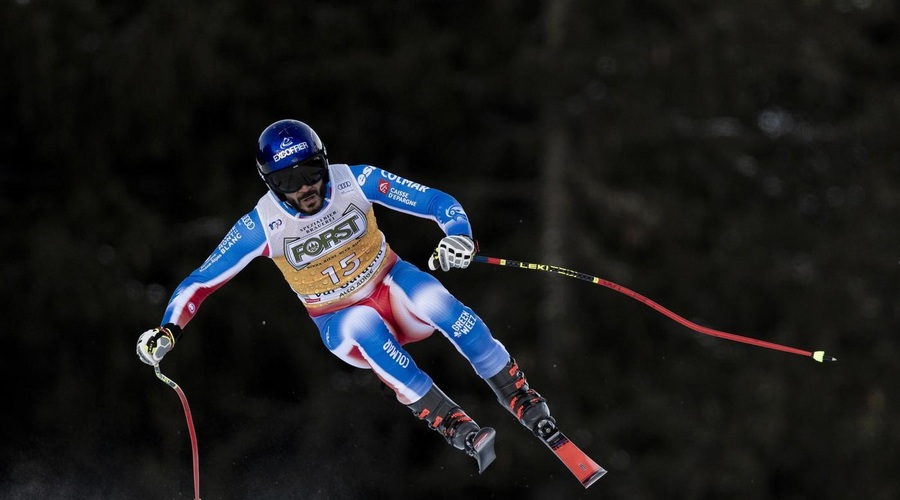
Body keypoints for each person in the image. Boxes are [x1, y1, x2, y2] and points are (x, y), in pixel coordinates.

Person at [137, 119, 557, 472]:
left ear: (324, 161)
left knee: (433, 299)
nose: (304, 188)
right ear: (270, 184)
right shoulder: (261, 225)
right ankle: (452, 422)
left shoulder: (354, 179)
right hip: (339, 319)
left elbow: (435, 201)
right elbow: (201, 281)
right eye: (287, 181)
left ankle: (516, 392)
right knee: (364, 324)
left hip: (392, 285)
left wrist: (459, 237)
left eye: (311, 171)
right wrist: (168, 330)